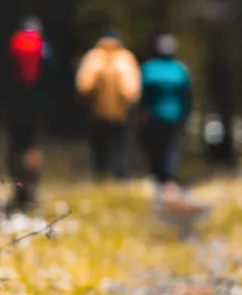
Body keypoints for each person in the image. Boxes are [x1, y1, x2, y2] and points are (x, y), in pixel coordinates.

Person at [138, 33, 207, 217]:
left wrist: (142, 112)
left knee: (156, 147)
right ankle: (167, 178)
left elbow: (143, 94)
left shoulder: (149, 69)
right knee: (170, 147)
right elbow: (188, 95)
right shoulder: (179, 70)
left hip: (155, 115)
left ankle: (160, 178)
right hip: (174, 115)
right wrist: (186, 113)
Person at [75, 27, 141, 180]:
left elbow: (83, 85)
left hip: (97, 111)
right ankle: (118, 174)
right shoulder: (125, 58)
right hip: (120, 112)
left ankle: (100, 174)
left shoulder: (93, 57)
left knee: (99, 145)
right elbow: (131, 89)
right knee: (119, 144)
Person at [5, 15, 54, 211]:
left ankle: (18, 187)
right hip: (36, 103)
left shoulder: (12, 45)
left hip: (15, 103)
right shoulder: (44, 48)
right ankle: (32, 187)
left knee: (16, 146)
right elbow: (51, 75)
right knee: (32, 146)